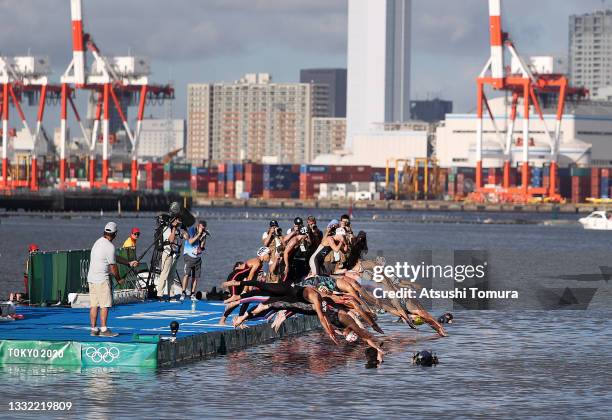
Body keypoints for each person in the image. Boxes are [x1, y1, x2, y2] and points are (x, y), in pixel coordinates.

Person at [87, 222, 138, 337]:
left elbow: (114, 257)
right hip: (102, 279)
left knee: (94, 305)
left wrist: (129, 263)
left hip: (91, 278)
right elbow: (113, 266)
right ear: (115, 234)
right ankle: (104, 330)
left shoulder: (98, 242)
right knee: (105, 305)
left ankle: (94, 329)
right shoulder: (109, 246)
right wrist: (119, 279)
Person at [156, 215, 186, 300]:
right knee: (164, 274)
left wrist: (184, 229)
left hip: (175, 255)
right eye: (176, 220)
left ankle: (171, 294)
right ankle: (160, 294)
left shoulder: (178, 230)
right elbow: (171, 240)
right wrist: (173, 229)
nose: (178, 222)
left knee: (172, 276)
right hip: (167, 253)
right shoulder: (167, 229)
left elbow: (186, 237)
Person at [180, 220, 208, 301]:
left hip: (197, 257)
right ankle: (183, 292)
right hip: (188, 256)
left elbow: (202, 247)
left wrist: (203, 238)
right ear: (198, 226)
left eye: (204, 228)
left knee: (195, 277)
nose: (203, 230)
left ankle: (192, 294)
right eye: (202, 228)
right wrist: (199, 234)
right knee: (187, 275)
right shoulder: (191, 230)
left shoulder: (203, 233)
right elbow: (191, 242)